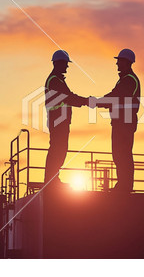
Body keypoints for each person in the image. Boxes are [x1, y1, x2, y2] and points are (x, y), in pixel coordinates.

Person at [94, 49, 140, 193]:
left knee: (123, 154)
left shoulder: (129, 80)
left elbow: (115, 97)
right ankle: (123, 185)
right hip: (121, 122)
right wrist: (98, 102)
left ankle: (124, 186)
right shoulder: (125, 79)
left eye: (119, 60)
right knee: (119, 154)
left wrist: (96, 102)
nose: (117, 63)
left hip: (124, 123)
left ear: (126, 62)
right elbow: (115, 97)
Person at [44, 50, 89, 189]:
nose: (67, 67)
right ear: (58, 63)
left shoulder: (57, 80)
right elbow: (69, 97)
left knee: (60, 149)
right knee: (57, 149)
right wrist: (87, 101)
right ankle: (51, 180)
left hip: (60, 120)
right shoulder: (55, 81)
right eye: (65, 64)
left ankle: (53, 178)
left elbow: (68, 97)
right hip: (58, 121)